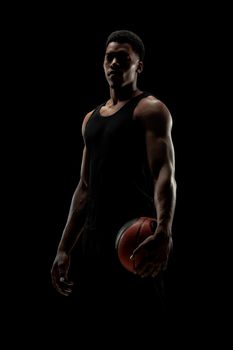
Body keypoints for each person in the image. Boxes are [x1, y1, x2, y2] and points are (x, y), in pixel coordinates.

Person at [51, 29, 176, 341]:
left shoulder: (150, 109)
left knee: (140, 328)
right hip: (93, 244)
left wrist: (163, 231)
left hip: (134, 242)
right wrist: (64, 248)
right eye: (110, 57)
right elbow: (84, 187)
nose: (115, 63)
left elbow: (164, 172)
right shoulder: (90, 118)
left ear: (139, 65)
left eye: (124, 57)